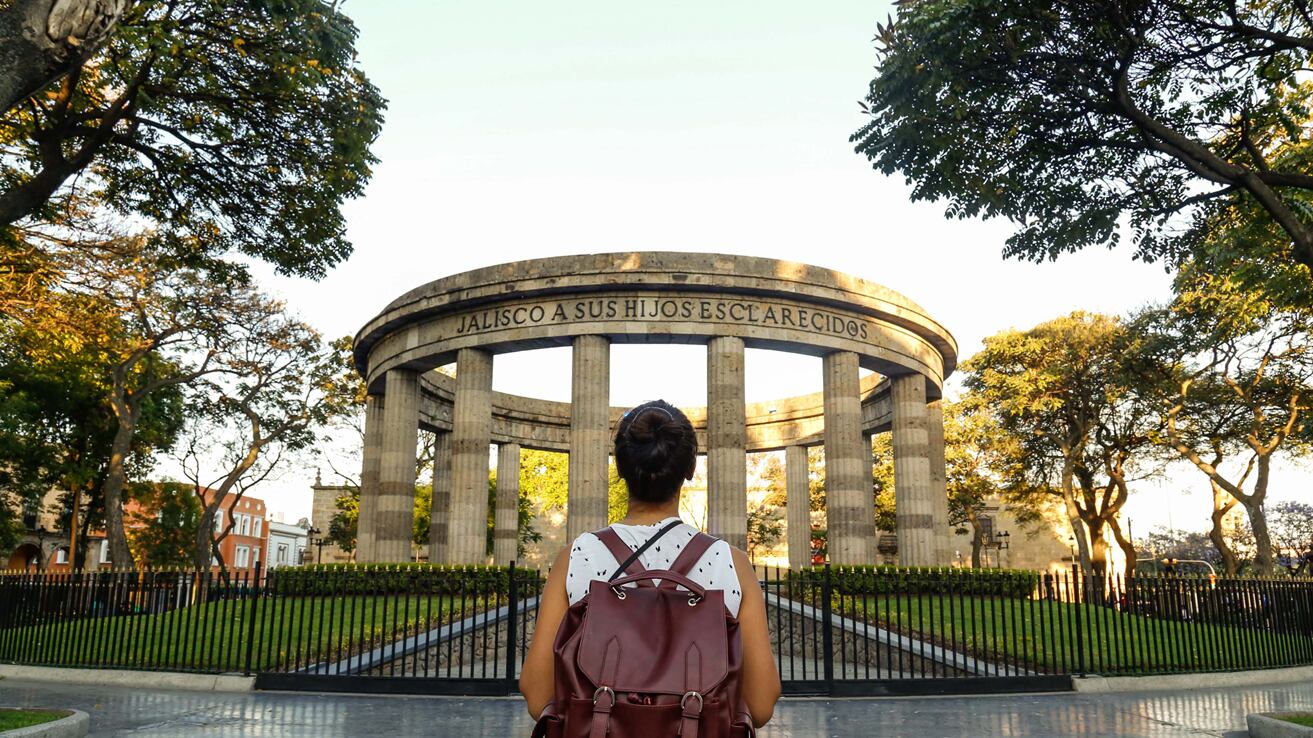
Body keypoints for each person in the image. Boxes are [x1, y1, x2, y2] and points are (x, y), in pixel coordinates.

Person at [520, 399, 781, 730]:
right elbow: (760, 704)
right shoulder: (732, 563)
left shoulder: (576, 556)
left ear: (620, 467)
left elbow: (537, 693)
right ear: (689, 470)